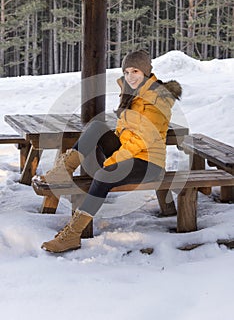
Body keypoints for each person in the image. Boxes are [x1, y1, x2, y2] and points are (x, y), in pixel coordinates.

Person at [33, 50, 182, 253]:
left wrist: (113, 161)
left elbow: (141, 140)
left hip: (149, 164)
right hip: (130, 153)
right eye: (127, 71)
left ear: (147, 72)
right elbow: (127, 134)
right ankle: (63, 171)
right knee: (96, 128)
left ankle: (73, 234)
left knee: (105, 174)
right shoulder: (133, 94)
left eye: (136, 70)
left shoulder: (156, 100)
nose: (130, 76)